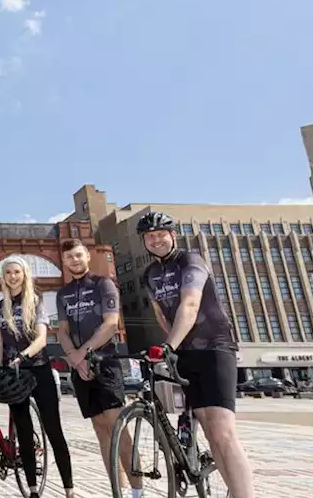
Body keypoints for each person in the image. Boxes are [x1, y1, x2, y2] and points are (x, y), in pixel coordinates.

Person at [138, 211, 254, 498]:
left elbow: (189, 304)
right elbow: (162, 315)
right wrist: (171, 345)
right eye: (149, 237)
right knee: (211, 435)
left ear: (172, 235)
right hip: (183, 353)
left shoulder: (190, 261)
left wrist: (169, 346)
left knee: (223, 432)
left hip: (214, 347)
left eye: (160, 234)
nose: (155, 240)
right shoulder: (149, 275)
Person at [55, 239, 142, 498]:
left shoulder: (104, 284)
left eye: (78, 255)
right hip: (80, 367)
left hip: (105, 364)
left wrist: (83, 353)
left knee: (117, 427)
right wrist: (74, 357)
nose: (74, 260)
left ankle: (138, 492)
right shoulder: (63, 294)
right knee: (100, 430)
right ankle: (120, 489)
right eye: (69, 257)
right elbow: (62, 330)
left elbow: (111, 324)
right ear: (65, 262)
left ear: (87, 256)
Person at [0, 255, 74, 498]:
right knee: (23, 432)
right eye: (8, 273)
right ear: (3, 278)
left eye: (16, 272)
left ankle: (69, 487)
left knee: (53, 429)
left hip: (38, 369)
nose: (12, 276)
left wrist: (24, 355)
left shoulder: (36, 302)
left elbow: (41, 339)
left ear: (24, 274)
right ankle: (33, 489)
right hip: (14, 375)